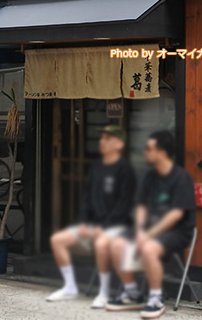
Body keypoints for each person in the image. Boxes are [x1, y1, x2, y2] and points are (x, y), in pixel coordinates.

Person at [106, 131, 196, 319]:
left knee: (148, 248)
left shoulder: (181, 178)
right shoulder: (150, 176)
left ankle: (155, 299)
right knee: (116, 244)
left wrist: (149, 234)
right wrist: (140, 230)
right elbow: (141, 206)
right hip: (148, 229)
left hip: (177, 231)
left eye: (149, 148)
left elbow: (176, 214)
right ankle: (132, 294)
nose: (144, 152)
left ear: (162, 153)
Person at [46, 125, 137, 308]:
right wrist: (83, 222)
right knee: (57, 240)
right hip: (93, 224)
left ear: (119, 144)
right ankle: (70, 287)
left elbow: (124, 205)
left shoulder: (125, 169)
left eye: (108, 138)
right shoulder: (96, 166)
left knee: (102, 243)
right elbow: (87, 197)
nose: (102, 142)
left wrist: (103, 227)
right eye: (101, 138)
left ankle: (104, 292)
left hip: (117, 225)